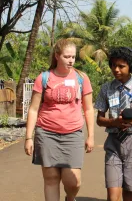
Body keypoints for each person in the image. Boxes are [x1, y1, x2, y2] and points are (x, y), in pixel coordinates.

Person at [24, 39, 94, 201]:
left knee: (73, 181)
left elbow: (89, 109)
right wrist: (28, 137)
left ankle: (70, 197)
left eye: (73, 57)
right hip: (47, 134)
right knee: (51, 179)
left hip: (73, 134)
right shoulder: (44, 78)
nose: (71, 60)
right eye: (67, 56)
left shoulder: (81, 78)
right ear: (57, 56)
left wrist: (90, 136)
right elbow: (34, 109)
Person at [95, 47, 132, 201]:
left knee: (129, 189)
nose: (116, 69)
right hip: (113, 142)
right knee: (113, 193)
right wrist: (114, 122)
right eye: (113, 65)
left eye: (121, 66)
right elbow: (99, 120)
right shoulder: (106, 88)